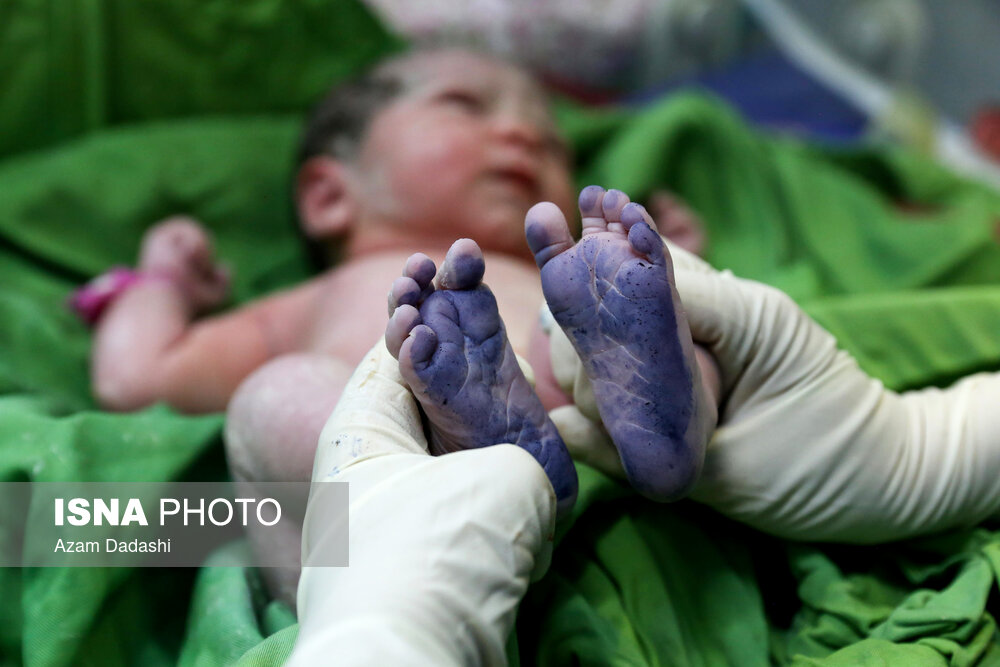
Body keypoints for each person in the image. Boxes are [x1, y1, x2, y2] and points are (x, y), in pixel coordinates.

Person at [84, 48, 721, 603]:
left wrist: (666, 269)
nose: (524, 135)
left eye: (553, 142)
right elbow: (136, 376)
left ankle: (659, 425)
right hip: (384, 497)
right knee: (281, 400)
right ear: (330, 197)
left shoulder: (564, 276)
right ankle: (462, 460)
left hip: (589, 442)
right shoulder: (313, 299)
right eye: (465, 105)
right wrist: (160, 279)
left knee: (693, 336)